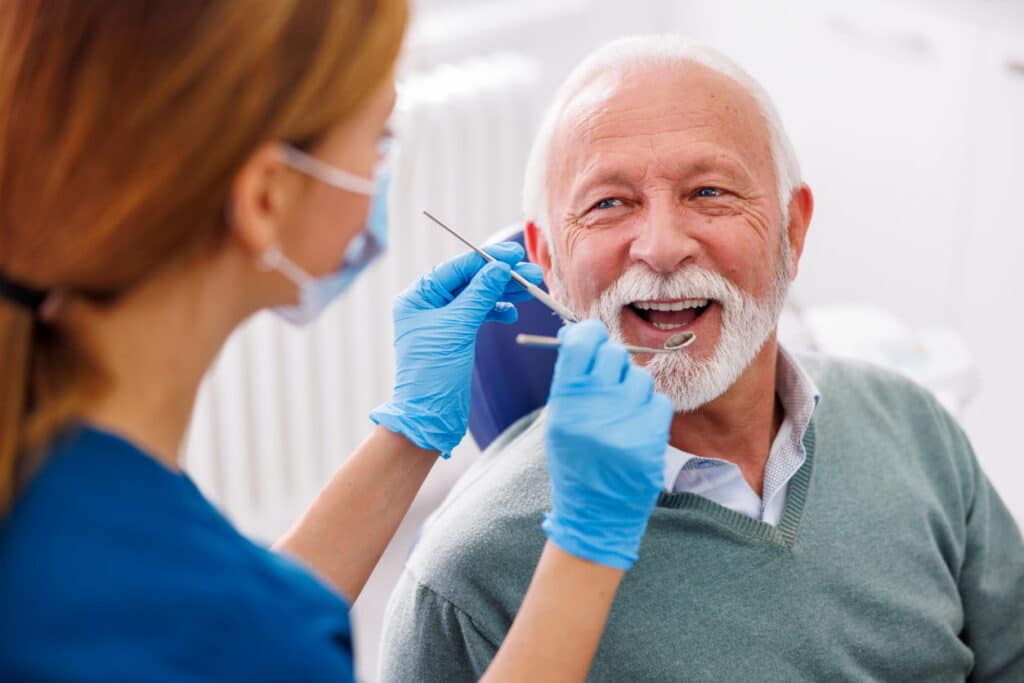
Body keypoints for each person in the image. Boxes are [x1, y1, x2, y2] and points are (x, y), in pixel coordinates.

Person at [0, 4, 676, 681]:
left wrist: (409, 431)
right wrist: (589, 544)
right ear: (266, 197)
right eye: (379, 141)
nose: (660, 246)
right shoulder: (229, 617)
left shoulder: (62, 477)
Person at [379, 35, 1024, 681]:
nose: (661, 248)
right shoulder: (466, 584)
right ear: (545, 261)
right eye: (609, 202)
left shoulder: (916, 426)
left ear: (792, 231)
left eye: (709, 192)